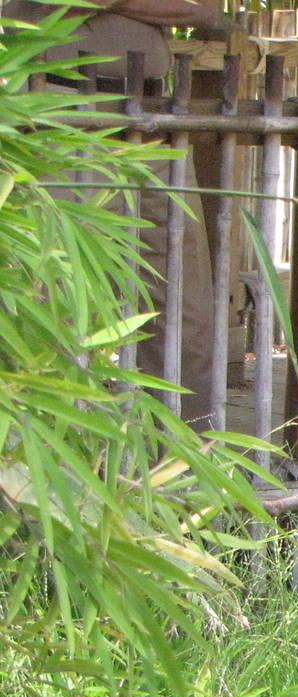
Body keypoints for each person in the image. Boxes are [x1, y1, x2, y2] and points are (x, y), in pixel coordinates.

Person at [7, 0, 229, 420]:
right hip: (59, 107)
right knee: (54, 283)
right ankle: (49, 446)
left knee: (180, 293)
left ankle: (185, 452)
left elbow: (203, 12)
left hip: (155, 113)